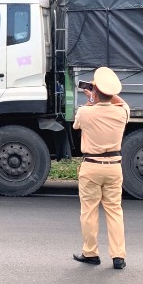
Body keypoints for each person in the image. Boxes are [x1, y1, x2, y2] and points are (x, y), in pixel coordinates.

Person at [72, 66, 130, 270]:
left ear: (95, 92)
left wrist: (91, 98)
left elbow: (76, 126)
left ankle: (91, 253)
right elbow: (120, 101)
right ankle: (118, 256)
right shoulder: (122, 112)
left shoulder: (85, 112)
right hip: (114, 166)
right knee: (115, 211)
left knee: (89, 211)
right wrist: (104, 92)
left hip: (91, 167)